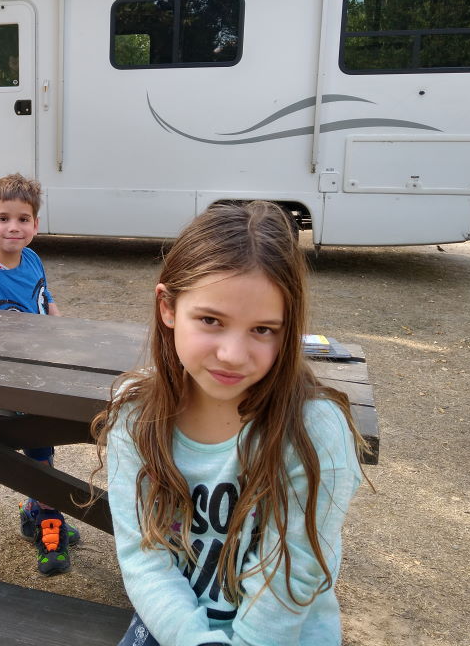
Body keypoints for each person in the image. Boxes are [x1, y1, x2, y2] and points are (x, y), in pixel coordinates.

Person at [92, 201, 367, 646]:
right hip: (175, 628)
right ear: (168, 307)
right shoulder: (136, 415)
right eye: (211, 321)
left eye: (263, 330)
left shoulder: (314, 432)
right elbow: (146, 559)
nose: (233, 355)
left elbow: (290, 577)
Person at [0, 173, 80, 577]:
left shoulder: (32, 258)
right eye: (4, 218)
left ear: (36, 225)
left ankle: (36, 507)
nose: (14, 227)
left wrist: (59, 334)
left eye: (24, 219)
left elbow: (46, 300)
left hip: (40, 370)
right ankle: (50, 519)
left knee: (47, 436)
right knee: (39, 442)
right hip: (8, 378)